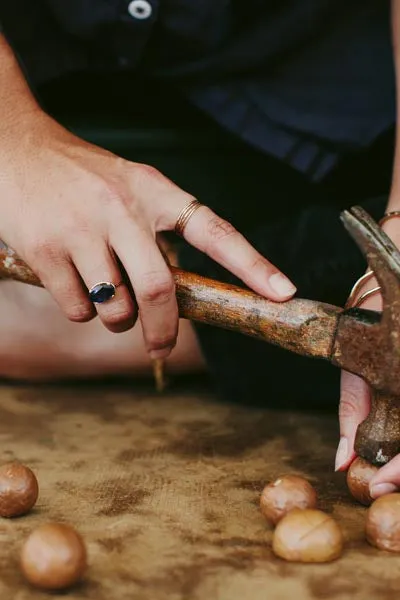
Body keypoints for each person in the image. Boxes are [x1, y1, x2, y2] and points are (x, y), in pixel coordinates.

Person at [0, 1, 399, 497]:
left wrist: (399, 230)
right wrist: (16, 139)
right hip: (37, 91)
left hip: (319, 130)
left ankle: (149, 320)